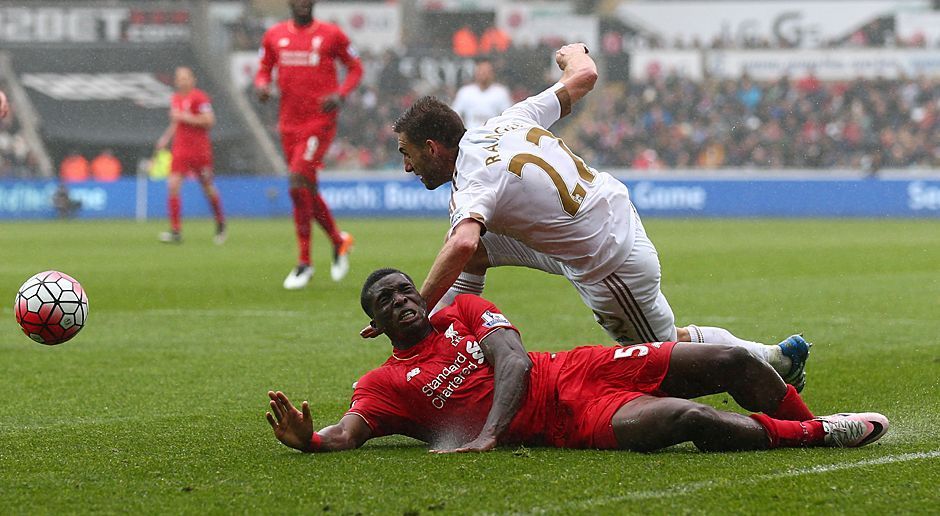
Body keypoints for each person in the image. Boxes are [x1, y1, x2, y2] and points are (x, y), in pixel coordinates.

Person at [380, 43, 811, 391]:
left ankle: (774, 361)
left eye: (407, 153)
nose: (406, 166)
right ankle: (447, 340)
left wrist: (417, 304)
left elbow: (462, 242)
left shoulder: (472, 178)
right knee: (476, 254)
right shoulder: (504, 121)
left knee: (666, 361)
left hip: (608, 264)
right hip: (608, 216)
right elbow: (584, 76)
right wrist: (573, 51)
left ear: (433, 147)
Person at [266, 268, 889, 454]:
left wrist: (487, 436)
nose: (402, 301)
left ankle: (814, 418)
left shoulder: (463, 311)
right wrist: (310, 442)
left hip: (579, 368)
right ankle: (814, 435)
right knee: (684, 421)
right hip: (566, 422)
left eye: (406, 290)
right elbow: (349, 431)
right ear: (373, 326)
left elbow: (511, 362)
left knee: (730, 359)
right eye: (386, 302)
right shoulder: (384, 383)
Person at [254, 0, 361, 290]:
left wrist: (340, 93)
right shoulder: (274, 35)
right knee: (305, 190)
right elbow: (264, 69)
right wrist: (262, 85)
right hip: (288, 123)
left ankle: (304, 263)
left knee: (296, 181)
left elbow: (355, 68)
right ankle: (339, 241)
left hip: (319, 121)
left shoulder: (331, 34)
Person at [155, 66, 226, 245]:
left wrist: (186, 117)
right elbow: (175, 122)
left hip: (199, 151)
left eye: (185, 77)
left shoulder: (199, 97)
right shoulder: (176, 98)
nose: (182, 81)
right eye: (179, 78)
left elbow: (209, 121)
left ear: (192, 79)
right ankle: (176, 231)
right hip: (180, 149)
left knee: (207, 187)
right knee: (173, 185)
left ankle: (220, 223)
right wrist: (165, 138)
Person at [451, 59, 513, 130]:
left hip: (492, 137)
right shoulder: (465, 92)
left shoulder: (501, 93)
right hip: (469, 135)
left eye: (487, 71)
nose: (483, 74)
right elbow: (455, 115)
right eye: (481, 71)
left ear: (492, 73)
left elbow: (509, 117)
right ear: (475, 73)